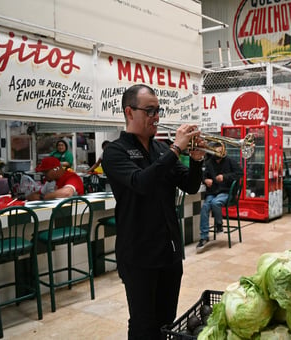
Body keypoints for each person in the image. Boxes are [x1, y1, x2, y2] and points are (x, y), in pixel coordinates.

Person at [102, 84, 206, 339]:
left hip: (169, 252)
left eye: (158, 110)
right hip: (138, 255)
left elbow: (191, 186)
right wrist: (176, 150)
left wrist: (196, 159)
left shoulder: (161, 149)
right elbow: (141, 183)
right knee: (143, 324)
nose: (156, 117)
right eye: (150, 111)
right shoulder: (115, 152)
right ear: (129, 112)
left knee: (166, 322)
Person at [196, 144, 243, 253]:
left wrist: (225, 177)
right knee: (205, 207)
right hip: (213, 192)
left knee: (215, 203)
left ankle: (219, 224)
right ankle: (204, 236)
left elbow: (240, 173)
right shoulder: (209, 162)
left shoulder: (230, 161)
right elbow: (202, 175)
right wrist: (205, 180)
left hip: (226, 192)